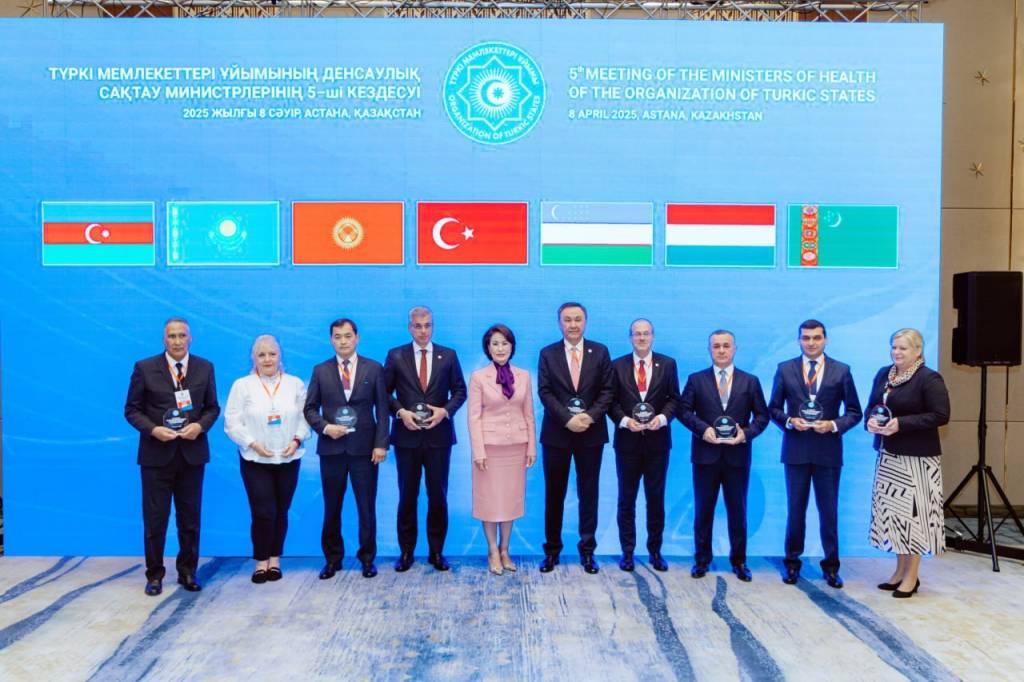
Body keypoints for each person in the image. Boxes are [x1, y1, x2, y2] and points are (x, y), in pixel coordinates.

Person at [124, 318, 220, 596]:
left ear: (190, 338)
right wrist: (153, 430)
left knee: (190, 519)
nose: (177, 341)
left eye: (182, 335)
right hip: (156, 456)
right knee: (155, 519)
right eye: (172, 336)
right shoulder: (144, 368)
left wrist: (200, 426)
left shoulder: (205, 367)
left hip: (192, 455)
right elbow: (132, 410)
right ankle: (154, 575)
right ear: (164, 339)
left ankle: (188, 572)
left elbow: (212, 408)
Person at [769, 319, 862, 588]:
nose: (811, 343)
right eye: (806, 338)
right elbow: (773, 408)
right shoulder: (785, 369)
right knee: (795, 511)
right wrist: (789, 421)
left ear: (825, 340)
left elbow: (854, 412)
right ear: (799, 340)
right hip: (796, 451)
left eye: (816, 338)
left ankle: (831, 567)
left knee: (829, 512)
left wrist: (833, 425)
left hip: (828, 452)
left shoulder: (842, 370)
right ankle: (792, 564)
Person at [865, 328, 950, 599]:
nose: (896, 352)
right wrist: (871, 422)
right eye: (894, 347)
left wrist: (901, 424)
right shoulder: (884, 374)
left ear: (918, 350)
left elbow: (941, 415)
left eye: (902, 348)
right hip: (889, 457)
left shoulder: (929, 378)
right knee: (896, 519)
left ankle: (912, 576)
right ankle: (899, 571)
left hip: (917, 461)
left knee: (914, 519)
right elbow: (872, 407)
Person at [679, 329, 769, 582]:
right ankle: (702, 560)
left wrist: (745, 434)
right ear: (709, 349)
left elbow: (762, 416)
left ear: (734, 349)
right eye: (716, 346)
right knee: (703, 510)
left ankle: (739, 562)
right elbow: (683, 411)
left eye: (726, 345)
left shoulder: (750, 381)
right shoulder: (696, 380)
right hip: (705, 456)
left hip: (737, 456)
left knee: (738, 511)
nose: (721, 350)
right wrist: (703, 430)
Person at [303, 318, 389, 580]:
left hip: (365, 450)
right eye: (338, 336)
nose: (343, 341)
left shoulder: (374, 368)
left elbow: (382, 409)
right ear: (331, 340)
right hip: (332, 450)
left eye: (348, 336)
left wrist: (381, 444)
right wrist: (325, 427)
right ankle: (332, 559)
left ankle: (367, 559)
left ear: (357, 338)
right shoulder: (321, 370)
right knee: (332, 507)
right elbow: (309, 409)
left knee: (366, 507)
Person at [384, 306, 467, 573]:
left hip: (439, 439)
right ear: (410, 327)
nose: (423, 331)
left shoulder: (448, 355)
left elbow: (460, 391)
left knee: (438, 497)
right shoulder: (396, 355)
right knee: (407, 496)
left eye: (427, 325)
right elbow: (384, 393)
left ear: (433, 326)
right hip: (406, 438)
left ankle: (436, 552)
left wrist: (445, 411)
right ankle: (406, 552)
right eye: (417, 326)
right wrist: (400, 412)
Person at [224, 335, 310, 584]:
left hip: (289, 457)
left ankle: (275, 559)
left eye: (272, 354)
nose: (267, 359)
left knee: (281, 510)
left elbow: (306, 416)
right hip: (255, 458)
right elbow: (231, 421)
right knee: (263, 511)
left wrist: (297, 440)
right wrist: (252, 443)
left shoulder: (295, 384)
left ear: (280, 356)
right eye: (261, 355)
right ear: (253, 358)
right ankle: (261, 561)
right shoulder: (242, 385)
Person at [537, 301, 614, 574]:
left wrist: (589, 417)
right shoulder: (548, 353)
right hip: (557, 434)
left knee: (588, 493)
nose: (573, 324)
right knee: (554, 494)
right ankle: (552, 551)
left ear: (585, 322)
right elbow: (545, 392)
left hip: (591, 434)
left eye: (578, 319)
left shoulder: (600, 351)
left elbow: (608, 390)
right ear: (559, 323)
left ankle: (588, 552)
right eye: (567, 320)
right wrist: (567, 419)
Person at [608, 319, 679, 572]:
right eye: (636, 334)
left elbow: (674, 400)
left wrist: (662, 419)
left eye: (645, 333)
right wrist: (625, 421)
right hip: (627, 443)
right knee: (626, 499)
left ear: (653, 336)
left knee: (655, 499)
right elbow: (610, 401)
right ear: (630, 338)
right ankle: (627, 552)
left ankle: (655, 552)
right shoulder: (616, 365)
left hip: (658, 444)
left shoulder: (668, 364)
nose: (641, 338)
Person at [467, 324, 537, 575]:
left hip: (516, 448)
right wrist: (478, 451)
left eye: (504, 343)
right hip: (489, 450)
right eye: (495, 343)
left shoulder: (524, 376)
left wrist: (531, 446)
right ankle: (492, 551)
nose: (500, 348)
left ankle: (505, 549)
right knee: (489, 501)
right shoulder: (478, 377)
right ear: (488, 347)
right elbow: (474, 417)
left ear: (512, 347)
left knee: (509, 501)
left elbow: (529, 414)